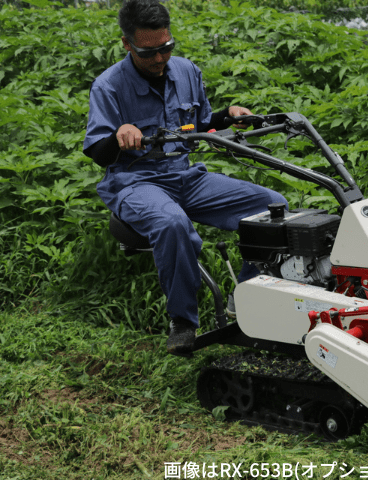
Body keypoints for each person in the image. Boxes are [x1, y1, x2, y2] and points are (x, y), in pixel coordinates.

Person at [83, 0, 287, 357]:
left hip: (186, 176)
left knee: (271, 207)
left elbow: (202, 123)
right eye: (149, 52)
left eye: (166, 47)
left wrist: (229, 116)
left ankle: (249, 301)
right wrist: (118, 135)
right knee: (171, 222)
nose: (160, 58)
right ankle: (183, 321)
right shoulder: (109, 86)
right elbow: (97, 152)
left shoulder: (186, 71)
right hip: (135, 182)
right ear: (127, 44)